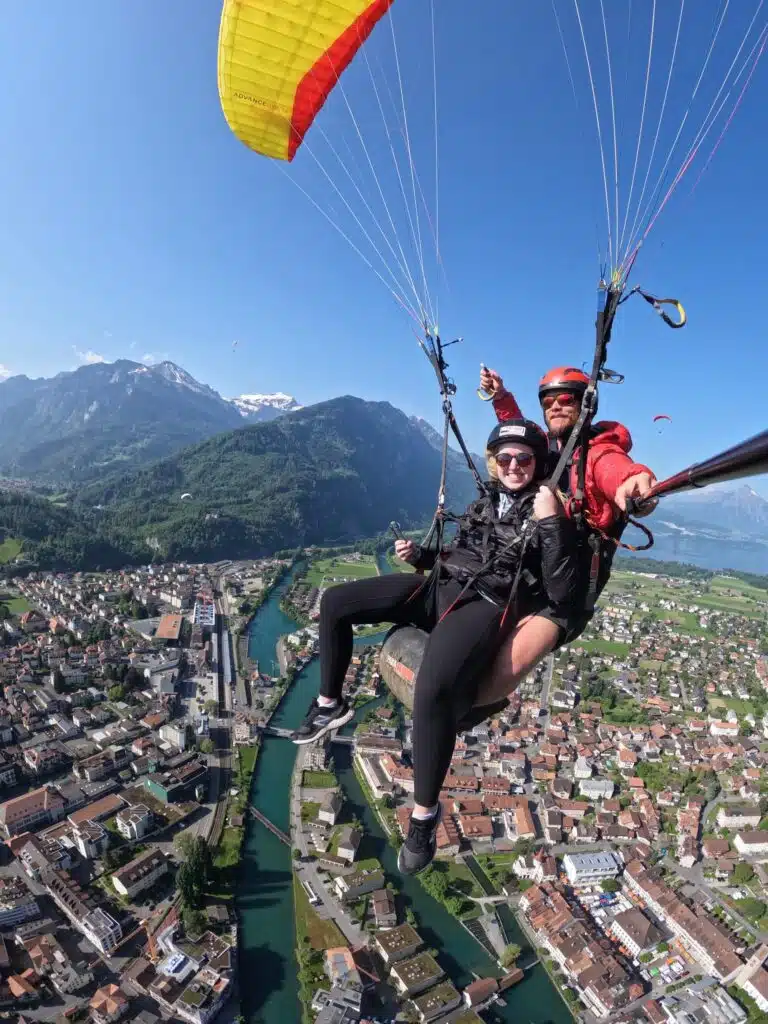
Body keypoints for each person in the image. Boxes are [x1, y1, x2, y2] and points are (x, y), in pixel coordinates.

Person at [292, 420, 581, 875]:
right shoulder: (488, 500)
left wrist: (551, 522)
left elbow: (563, 591)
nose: (513, 466)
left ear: (538, 464)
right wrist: (423, 558)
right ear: (494, 462)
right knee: (335, 603)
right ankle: (330, 703)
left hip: (482, 604)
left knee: (431, 690)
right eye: (504, 458)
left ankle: (424, 816)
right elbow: (460, 553)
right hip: (439, 588)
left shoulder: (546, 509)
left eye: (524, 459)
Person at [473, 364, 657, 708]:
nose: (555, 406)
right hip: (530, 578)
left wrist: (632, 482)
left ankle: (478, 705)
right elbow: (521, 432)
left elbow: (614, 469)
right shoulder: (551, 451)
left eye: (566, 399)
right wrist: (499, 395)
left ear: (585, 405)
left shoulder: (595, 453)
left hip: (564, 600)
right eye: (548, 402)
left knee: (488, 687)